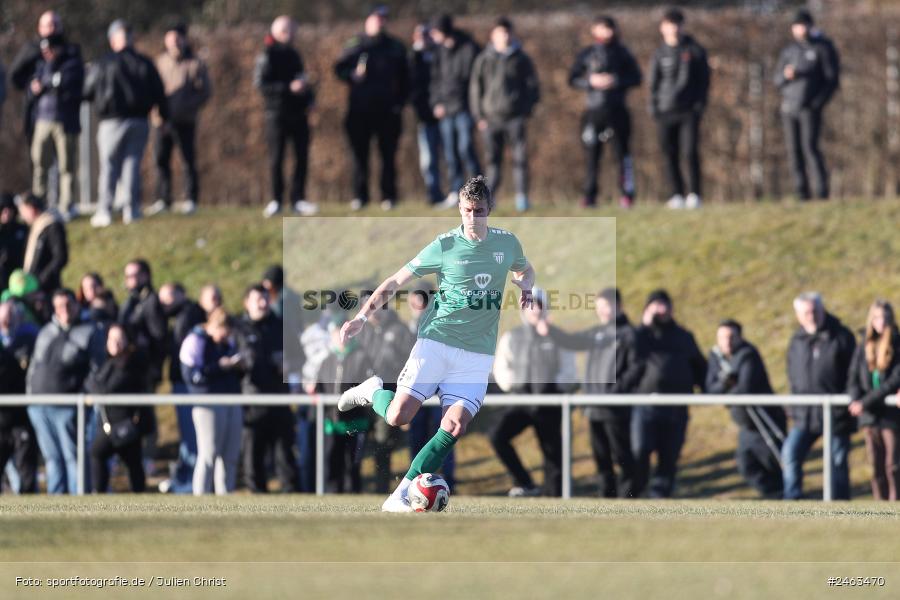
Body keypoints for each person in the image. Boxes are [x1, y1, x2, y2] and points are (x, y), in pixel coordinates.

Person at [336, 176, 535, 511]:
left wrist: (526, 286)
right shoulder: (444, 246)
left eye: (480, 211)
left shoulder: (507, 244)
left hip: (477, 355)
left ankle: (400, 495)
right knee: (398, 416)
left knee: (454, 425)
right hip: (436, 343)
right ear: (459, 208)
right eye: (468, 210)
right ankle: (373, 391)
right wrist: (361, 316)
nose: (473, 218)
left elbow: (526, 270)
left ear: (491, 210)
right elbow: (396, 281)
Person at [538, 287, 642, 498]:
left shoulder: (629, 335)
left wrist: (614, 391)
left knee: (623, 458)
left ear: (619, 306)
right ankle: (606, 500)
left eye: (607, 306)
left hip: (616, 410)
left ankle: (628, 500)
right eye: (600, 307)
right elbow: (572, 341)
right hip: (594, 408)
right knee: (601, 459)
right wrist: (550, 330)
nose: (603, 311)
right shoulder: (597, 333)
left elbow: (636, 369)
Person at [490, 288, 577, 497]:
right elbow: (502, 368)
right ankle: (525, 483)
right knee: (497, 437)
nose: (534, 309)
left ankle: (554, 497)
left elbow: (569, 370)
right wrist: (514, 385)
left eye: (538, 304)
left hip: (549, 404)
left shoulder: (557, 336)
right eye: (529, 305)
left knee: (553, 454)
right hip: (521, 402)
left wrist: (552, 387)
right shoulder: (512, 337)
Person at [82, 20, 169, 227]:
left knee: (109, 167)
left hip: (111, 122)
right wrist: (163, 117)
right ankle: (132, 210)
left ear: (113, 40)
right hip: (139, 121)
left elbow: (87, 91)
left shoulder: (103, 63)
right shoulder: (144, 63)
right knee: (132, 165)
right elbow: (160, 93)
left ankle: (105, 210)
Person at [26, 289, 106, 494]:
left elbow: (97, 369)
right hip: (39, 407)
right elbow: (35, 365)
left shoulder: (90, 331)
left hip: (68, 408)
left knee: (74, 457)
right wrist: (29, 396)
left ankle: (78, 502)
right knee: (52, 458)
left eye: (68, 304)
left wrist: (83, 396)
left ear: (77, 305)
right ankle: (56, 503)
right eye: (59, 306)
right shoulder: (46, 331)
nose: (64, 310)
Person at [632, 289, 706, 498]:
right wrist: (644, 326)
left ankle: (659, 497)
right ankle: (635, 495)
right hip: (646, 407)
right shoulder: (642, 336)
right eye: (656, 305)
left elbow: (699, 366)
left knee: (669, 456)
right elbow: (629, 352)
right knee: (640, 451)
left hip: (676, 408)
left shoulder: (683, 336)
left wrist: (711, 389)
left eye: (664, 305)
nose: (661, 310)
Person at [334, 6, 409, 211]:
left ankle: (389, 197)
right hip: (360, 111)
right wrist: (351, 75)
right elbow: (338, 69)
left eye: (383, 19)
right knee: (359, 156)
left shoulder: (395, 46)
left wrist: (399, 104)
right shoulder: (355, 44)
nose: (380, 22)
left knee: (388, 156)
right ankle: (360, 197)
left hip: (387, 111)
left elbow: (406, 79)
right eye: (376, 18)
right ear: (367, 20)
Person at [784, 292, 855, 500]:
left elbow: (853, 373)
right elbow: (793, 374)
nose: (811, 316)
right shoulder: (797, 341)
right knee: (790, 454)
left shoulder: (841, 336)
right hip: (805, 414)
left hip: (836, 412)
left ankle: (841, 506)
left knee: (837, 461)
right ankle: (792, 501)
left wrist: (845, 403)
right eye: (806, 313)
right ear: (798, 315)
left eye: (814, 311)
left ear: (822, 310)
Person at [706, 319, 785, 498]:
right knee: (746, 465)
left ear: (740, 337)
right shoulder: (716, 356)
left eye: (731, 337)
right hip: (746, 425)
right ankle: (772, 495)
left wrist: (726, 389)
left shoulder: (749, 354)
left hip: (765, 421)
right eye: (722, 337)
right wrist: (725, 383)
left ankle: (784, 497)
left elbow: (744, 388)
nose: (727, 342)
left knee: (774, 464)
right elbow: (711, 388)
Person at [569, 16, 642, 208]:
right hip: (593, 111)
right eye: (603, 28)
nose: (607, 32)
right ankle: (589, 196)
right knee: (592, 156)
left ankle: (627, 195)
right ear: (594, 30)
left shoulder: (623, 53)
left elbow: (636, 77)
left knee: (621, 155)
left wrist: (616, 80)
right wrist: (590, 82)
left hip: (617, 110)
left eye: (610, 28)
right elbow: (572, 78)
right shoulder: (587, 54)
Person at [469, 17, 540, 212]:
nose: (504, 36)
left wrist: (526, 110)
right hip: (491, 119)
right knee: (493, 162)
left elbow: (533, 87)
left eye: (507, 32)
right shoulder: (483, 59)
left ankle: (522, 198)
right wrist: (479, 116)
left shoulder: (521, 58)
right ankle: (490, 200)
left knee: (520, 159)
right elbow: (476, 89)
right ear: (493, 35)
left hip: (515, 117)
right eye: (500, 33)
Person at [236, 284, 299, 493]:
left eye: (265, 299)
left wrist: (289, 364)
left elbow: (300, 356)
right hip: (251, 402)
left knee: (284, 455)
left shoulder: (281, 326)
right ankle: (256, 498)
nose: (263, 304)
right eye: (257, 300)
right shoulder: (238, 329)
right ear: (247, 303)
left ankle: (292, 499)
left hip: (280, 400)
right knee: (253, 456)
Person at [255, 16, 318, 219]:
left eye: (291, 30)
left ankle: (298, 200)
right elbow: (262, 85)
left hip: (298, 114)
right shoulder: (267, 55)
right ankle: (276, 200)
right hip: (276, 114)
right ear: (275, 32)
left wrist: (309, 99)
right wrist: (287, 88)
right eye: (284, 30)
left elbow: (302, 80)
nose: (289, 34)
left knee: (301, 158)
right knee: (277, 158)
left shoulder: (295, 54)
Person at [774, 9, 840, 201]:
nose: (799, 29)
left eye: (802, 25)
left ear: (810, 26)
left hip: (809, 108)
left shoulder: (823, 48)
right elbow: (777, 78)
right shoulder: (789, 51)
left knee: (810, 147)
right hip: (789, 108)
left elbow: (831, 80)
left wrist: (817, 104)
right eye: (796, 26)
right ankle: (801, 192)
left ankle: (821, 191)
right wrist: (785, 77)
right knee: (793, 151)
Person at [147, 21, 211, 217]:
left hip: (185, 121)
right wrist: (159, 115)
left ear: (184, 39)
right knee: (161, 160)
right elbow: (152, 92)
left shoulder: (195, 63)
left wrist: (185, 107)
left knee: (188, 161)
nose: (174, 42)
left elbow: (205, 92)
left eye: (178, 37)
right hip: (162, 122)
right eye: (171, 38)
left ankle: (191, 199)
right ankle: (163, 199)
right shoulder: (160, 62)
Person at [648, 9, 710, 210]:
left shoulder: (695, 51)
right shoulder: (659, 53)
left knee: (690, 151)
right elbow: (653, 83)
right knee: (669, 153)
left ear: (682, 27)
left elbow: (704, 81)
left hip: (688, 111)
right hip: (665, 111)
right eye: (668, 25)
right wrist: (654, 106)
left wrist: (700, 104)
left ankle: (694, 194)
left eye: (676, 24)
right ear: (662, 28)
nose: (673, 29)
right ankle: (676, 194)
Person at [180, 307, 243, 495]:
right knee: (208, 454)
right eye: (224, 329)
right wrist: (219, 366)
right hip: (207, 404)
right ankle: (201, 497)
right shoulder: (196, 340)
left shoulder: (227, 343)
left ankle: (225, 497)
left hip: (231, 400)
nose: (226, 335)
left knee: (230, 456)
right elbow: (192, 376)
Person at [404, 281, 456, 489]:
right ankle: (416, 483)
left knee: (443, 436)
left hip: (435, 393)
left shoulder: (438, 325)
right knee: (419, 438)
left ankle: (447, 482)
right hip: (418, 392)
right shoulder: (408, 328)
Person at [847, 300, 900, 501]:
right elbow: (852, 377)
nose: (882, 322)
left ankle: (895, 506)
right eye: (877, 317)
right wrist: (855, 399)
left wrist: (865, 401)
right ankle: (880, 506)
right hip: (870, 417)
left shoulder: (897, 344)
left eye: (886, 317)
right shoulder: (864, 346)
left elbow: (894, 379)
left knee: (892, 466)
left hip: (890, 416)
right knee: (876, 466)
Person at [28, 33, 84, 221]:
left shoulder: (72, 62)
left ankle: (66, 205)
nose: (47, 53)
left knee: (66, 166)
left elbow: (64, 82)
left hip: (64, 120)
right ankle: (39, 204)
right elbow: (37, 83)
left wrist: (47, 82)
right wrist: (47, 82)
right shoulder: (42, 64)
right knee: (39, 164)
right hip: (43, 119)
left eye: (50, 49)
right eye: (44, 50)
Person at [86, 324, 147, 493]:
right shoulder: (109, 362)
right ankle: (99, 493)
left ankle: (139, 497)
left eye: (119, 338)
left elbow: (105, 388)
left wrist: (92, 382)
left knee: (132, 462)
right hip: (109, 423)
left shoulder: (130, 362)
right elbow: (96, 384)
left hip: (126, 423)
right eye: (111, 338)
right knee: (98, 454)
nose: (115, 343)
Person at [429, 14, 481, 206]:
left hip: (465, 108)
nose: (432, 36)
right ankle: (455, 191)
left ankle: (479, 192)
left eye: (435, 32)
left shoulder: (469, 48)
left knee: (466, 148)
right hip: (445, 110)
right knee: (450, 153)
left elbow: (474, 80)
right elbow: (434, 81)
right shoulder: (438, 52)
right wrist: (437, 103)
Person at [156, 282, 204, 494]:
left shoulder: (189, 314)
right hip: (179, 381)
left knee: (192, 434)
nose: (164, 302)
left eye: (169, 296)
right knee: (187, 435)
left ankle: (190, 482)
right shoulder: (176, 316)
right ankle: (184, 477)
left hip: (188, 383)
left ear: (182, 294)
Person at [9, 11, 70, 148]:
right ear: (40, 28)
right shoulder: (32, 49)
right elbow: (15, 76)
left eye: (55, 25)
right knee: (38, 163)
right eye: (48, 25)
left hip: (63, 116)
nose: (52, 29)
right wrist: (30, 85)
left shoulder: (68, 51)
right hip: (35, 114)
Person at [0, 300, 39, 494]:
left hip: (22, 415)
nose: (5, 321)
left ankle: (30, 508)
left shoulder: (29, 338)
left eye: (9, 316)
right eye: (2, 317)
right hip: (1, 417)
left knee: (26, 467)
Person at [409, 23, 443, 206]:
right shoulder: (412, 57)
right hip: (424, 117)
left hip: (444, 114)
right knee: (428, 159)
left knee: (452, 157)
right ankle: (433, 193)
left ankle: (457, 194)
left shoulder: (439, 54)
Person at [119, 259, 167, 390]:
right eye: (128, 276)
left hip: (144, 367)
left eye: (136, 274)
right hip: (127, 366)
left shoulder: (151, 302)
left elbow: (159, 335)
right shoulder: (130, 302)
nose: (132, 279)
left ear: (146, 275)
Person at [17, 193, 68, 296]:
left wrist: (41, 279)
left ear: (32, 209)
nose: (22, 216)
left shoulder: (52, 225)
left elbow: (60, 257)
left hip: (47, 289)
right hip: (32, 286)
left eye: (23, 211)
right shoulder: (36, 227)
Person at [0, 193, 28, 295]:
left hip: (18, 277)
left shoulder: (22, 230)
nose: (6, 213)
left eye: (9, 209)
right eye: (3, 210)